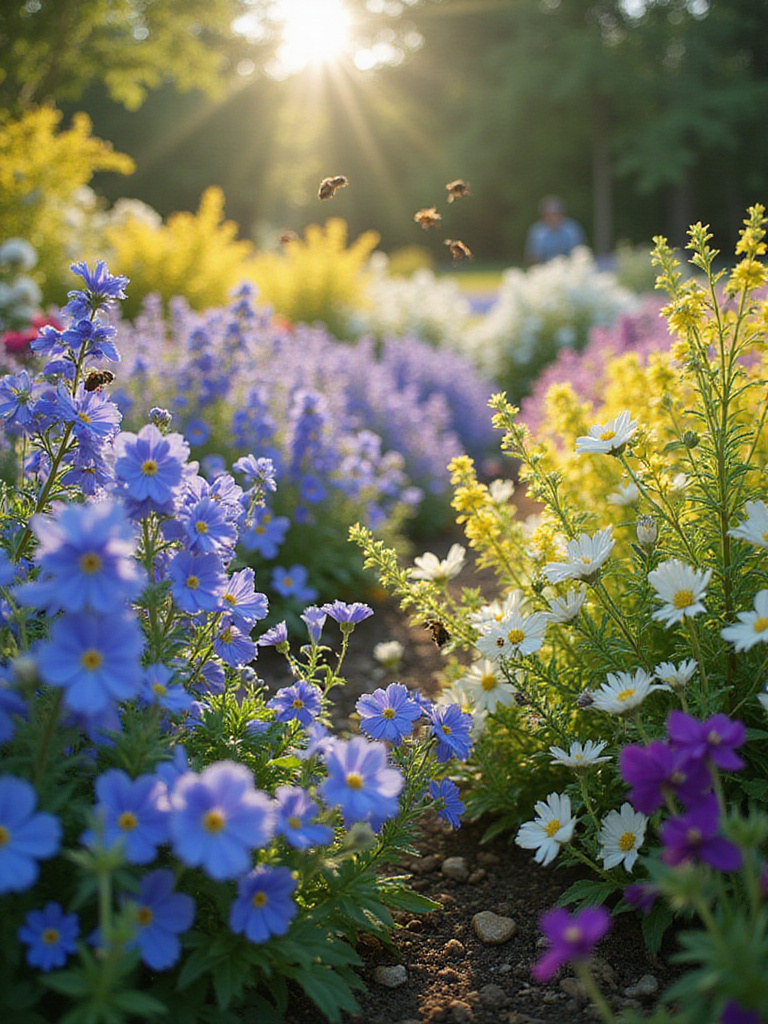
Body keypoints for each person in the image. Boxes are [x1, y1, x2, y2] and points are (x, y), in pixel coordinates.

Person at [524, 196, 586, 265]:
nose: (553, 218)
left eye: (556, 214)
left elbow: (579, 252)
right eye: (549, 214)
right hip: (545, 267)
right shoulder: (537, 231)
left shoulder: (572, 229)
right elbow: (533, 256)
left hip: (569, 266)